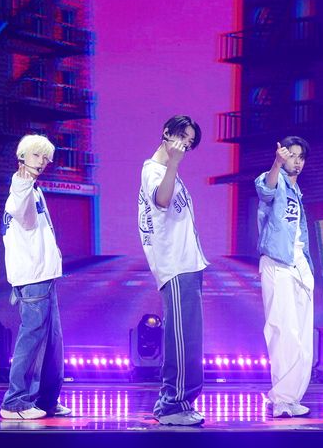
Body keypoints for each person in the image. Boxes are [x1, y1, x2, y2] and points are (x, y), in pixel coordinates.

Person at [138, 115, 207, 426]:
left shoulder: (168, 172)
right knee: (181, 340)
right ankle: (171, 405)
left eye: (189, 143)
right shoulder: (153, 170)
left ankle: (182, 402)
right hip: (176, 266)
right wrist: (174, 164)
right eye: (182, 138)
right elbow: (162, 201)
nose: (184, 146)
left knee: (190, 340)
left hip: (189, 264)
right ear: (166, 133)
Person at [0, 134, 70, 420]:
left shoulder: (34, 190)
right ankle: (15, 401)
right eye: (36, 155)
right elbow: (22, 211)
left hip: (44, 275)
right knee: (32, 338)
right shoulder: (21, 188)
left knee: (52, 342)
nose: (42, 162)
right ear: (22, 157)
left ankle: (46, 399)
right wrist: (23, 182)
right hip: (33, 277)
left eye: (45, 158)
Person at [254, 136, 314, 418]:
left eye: (301, 157)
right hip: (277, 263)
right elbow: (265, 191)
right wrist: (277, 164)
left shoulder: (297, 191)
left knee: (302, 335)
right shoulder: (274, 179)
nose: (297, 161)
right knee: (282, 330)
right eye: (292, 156)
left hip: (299, 265)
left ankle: (293, 396)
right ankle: (281, 399)